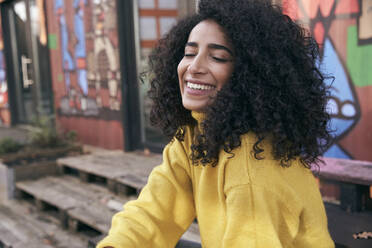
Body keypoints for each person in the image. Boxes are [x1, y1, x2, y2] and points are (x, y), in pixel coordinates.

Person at [97, 0, 335, 247]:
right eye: (189, 53)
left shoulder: (253, 165)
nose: (194, 67)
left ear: (250, 74)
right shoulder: (195, 133)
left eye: (218, 57)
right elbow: (153, 211)